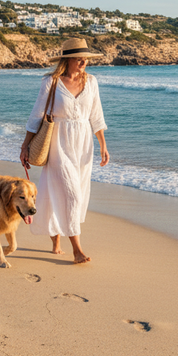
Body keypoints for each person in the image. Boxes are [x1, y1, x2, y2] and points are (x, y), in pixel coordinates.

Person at [20, 38, 109, 263]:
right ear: (67, 60)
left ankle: (56, 241)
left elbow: (96, 116)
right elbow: (37, 114)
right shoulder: (51, 82)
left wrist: (103, 145)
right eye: (78, 58)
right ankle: (77, 250)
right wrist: (25, 144)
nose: (83, 62)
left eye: (85, 59)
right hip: (58, 143)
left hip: (83, 144)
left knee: (59, 193)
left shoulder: (92, 82)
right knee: (72, 194)